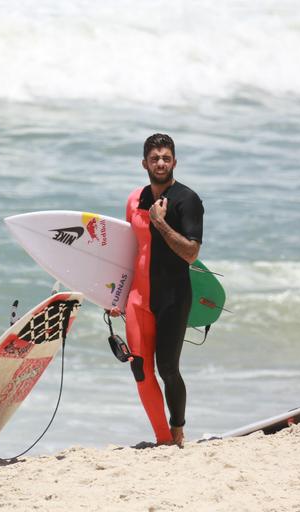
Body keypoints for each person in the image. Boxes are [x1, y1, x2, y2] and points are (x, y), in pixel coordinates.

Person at [111, 133, 203, 447]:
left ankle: (177, 429)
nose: (160, 163)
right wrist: (115, 296)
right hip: (137, 298)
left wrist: (161, 224)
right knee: (140, 369)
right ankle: (163, 439)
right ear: (144, 163)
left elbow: (191, 253)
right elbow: (127, 250)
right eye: (154, 158)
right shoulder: (134, 199)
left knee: (167, 368)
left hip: (173, 298)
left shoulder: (187, 200)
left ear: (174, 162)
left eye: (165, 157)